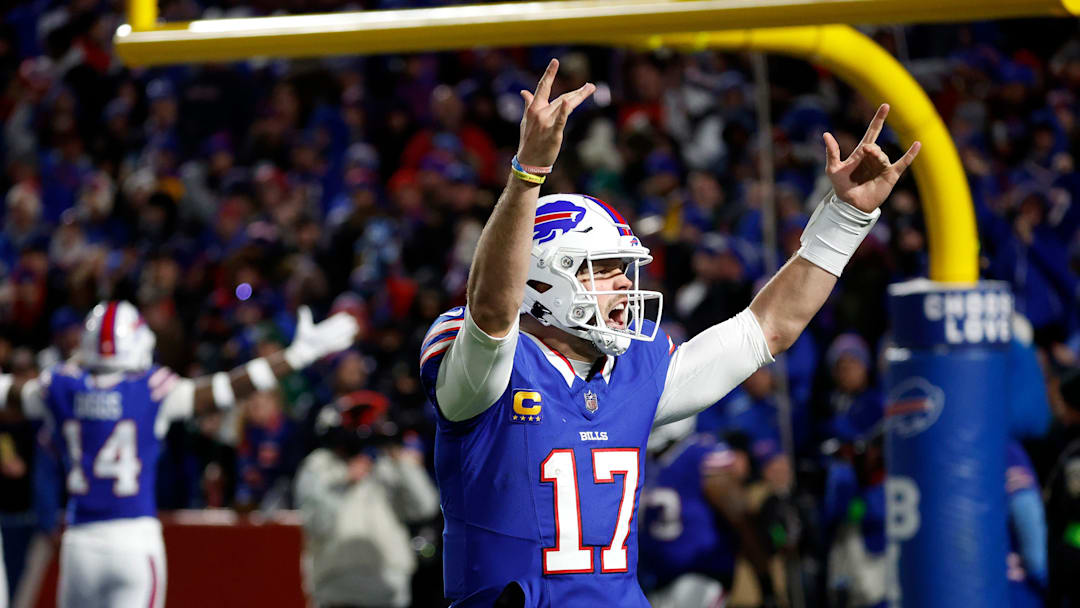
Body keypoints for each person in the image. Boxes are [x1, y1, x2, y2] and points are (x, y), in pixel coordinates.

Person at [418, 58, 919, 606]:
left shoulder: (637, 368)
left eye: (623, 268)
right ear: (540, 280)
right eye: (601, 269)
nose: (623, 284)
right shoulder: (487, 368)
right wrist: (527, 174)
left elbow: (770, 327)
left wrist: (844, 220)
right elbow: (492, 311)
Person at [0, 300, 357, 608]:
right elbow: (226, 388)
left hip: (80, 544)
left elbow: (8, 393)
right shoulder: (152, 389)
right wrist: (295, 356)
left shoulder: (60, 387)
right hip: (134, 540)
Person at [294, 394, 439, 608]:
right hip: (336, 584)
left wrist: (402, 462)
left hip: (389, 584)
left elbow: (424, 507)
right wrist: (345, 481)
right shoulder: (318, 466)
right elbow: (316, 523)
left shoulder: (387, 463)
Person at [639, 416, 779, 608]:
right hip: (653, 579)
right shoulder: (645, 459)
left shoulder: (700, 454)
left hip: (699, 579)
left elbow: (741, 518)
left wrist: (765, 582)